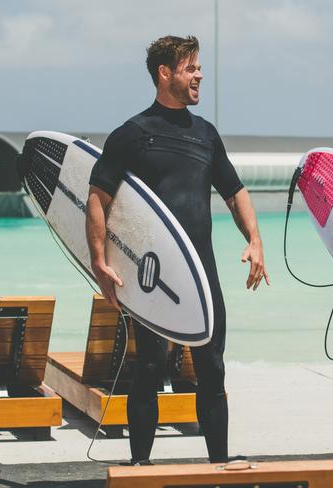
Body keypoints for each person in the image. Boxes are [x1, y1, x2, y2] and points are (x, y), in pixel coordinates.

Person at [85, 35, 270, 465]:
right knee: (149, 368)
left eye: (199, 67)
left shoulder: (205, 134)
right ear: (165, 73)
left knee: (212, 370)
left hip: (201, 274)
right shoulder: (133, 134)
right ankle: (140, 467)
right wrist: (99, 261)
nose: (200, 75)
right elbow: (98, 197)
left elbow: (235, 191)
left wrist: (255, 240)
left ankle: (219, 466)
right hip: (152, 275)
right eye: (191, 68)